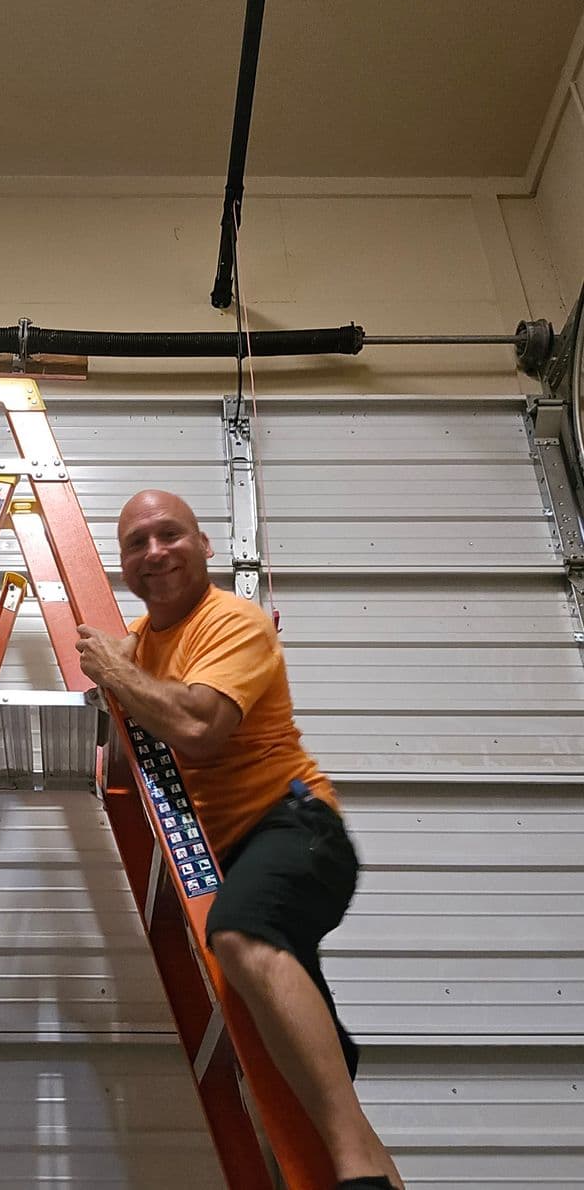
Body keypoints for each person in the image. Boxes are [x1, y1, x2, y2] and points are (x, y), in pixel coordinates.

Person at [75, 490, 403, 1190]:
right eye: (137, 542)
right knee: (308, 1066)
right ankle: (371, 1169)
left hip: (295, 829)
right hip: (235, 854)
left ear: (204, 544)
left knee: (241, 933)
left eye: (171, 534)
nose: (155, 551)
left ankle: (358, 1170)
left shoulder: (233, 621)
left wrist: (113, 671)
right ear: (123, 563)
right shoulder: (141, 644)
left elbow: (196, 728)